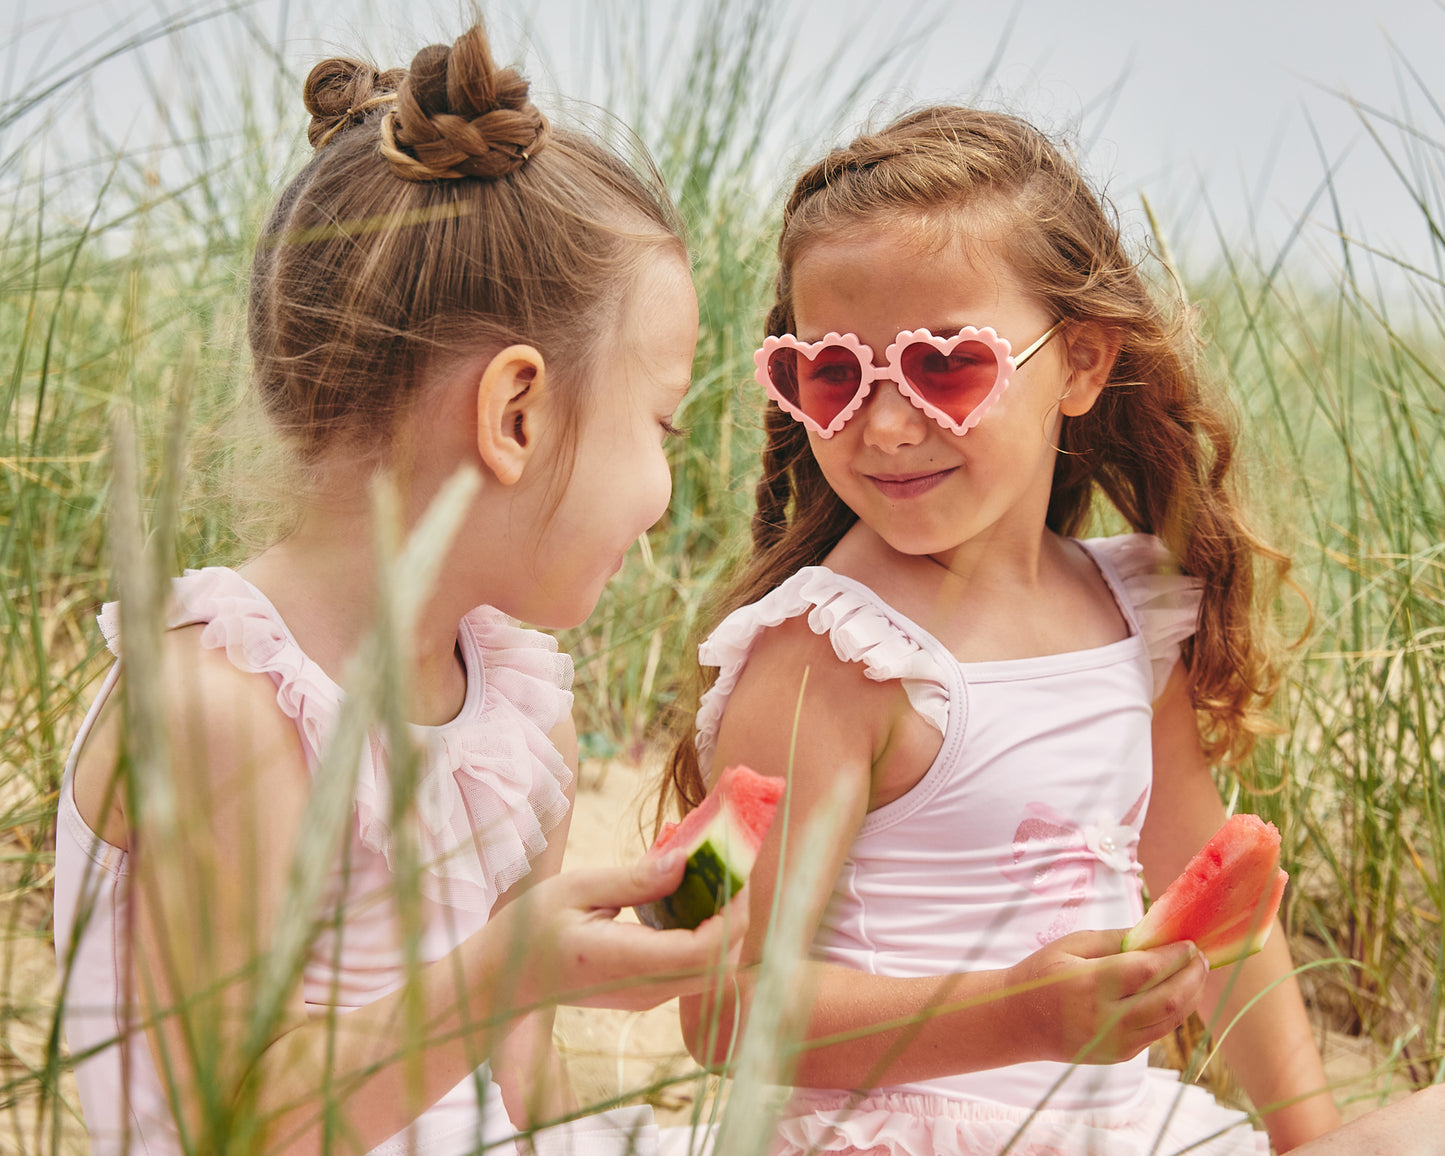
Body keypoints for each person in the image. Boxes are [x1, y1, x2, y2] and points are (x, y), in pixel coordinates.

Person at [51, 19, 741, 1156]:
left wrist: (554, 979)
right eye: (659, 425)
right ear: (514, 414)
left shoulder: (521, 713)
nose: (664, 494)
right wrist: (503, 973)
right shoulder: (218, 709)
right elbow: (232, 1117)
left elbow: (519, 1090)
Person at [662, 106, 1344, 1154]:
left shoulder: (1128, 609)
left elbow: (1215, 883)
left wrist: (1309, 1139)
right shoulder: (820, 656)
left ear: (1078, 362)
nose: (884, 424)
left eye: (944, 365)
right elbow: (716, 1009)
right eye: (833, 374)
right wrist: (1014, 1014)